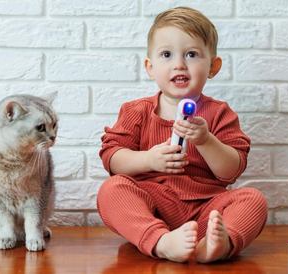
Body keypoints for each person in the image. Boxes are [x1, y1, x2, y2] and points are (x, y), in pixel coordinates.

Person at [97, 6, 267, 263]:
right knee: (112, 190)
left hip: (207, 208)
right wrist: (148, 160)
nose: (179, 64)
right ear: (150, 67)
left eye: (191, 54)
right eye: (166, 54)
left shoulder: (220, 113)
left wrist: (206, 140)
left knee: (253, 200)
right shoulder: (136, 111)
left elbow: (231, 170)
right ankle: (162, 241)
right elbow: (112, 158)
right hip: (153, 207)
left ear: (213, 66)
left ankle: (218, 244)